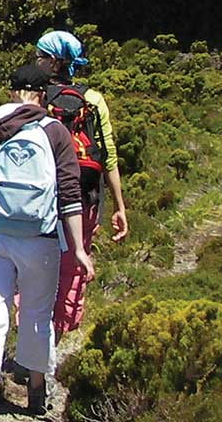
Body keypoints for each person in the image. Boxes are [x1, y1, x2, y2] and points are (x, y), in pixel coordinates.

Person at [0, 63, 93, 421]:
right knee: (36, 312)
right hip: (41, 237)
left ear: (11, 92)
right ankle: (36, 391)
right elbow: (69, 192)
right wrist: (79, 248)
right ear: (42, 94)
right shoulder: (55, 132)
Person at [34, 30, 129, 334]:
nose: (35, 61)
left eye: (39, 56)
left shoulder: (35, 99)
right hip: (85, 200)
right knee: (73, 270)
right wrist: (119, 206)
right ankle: (58, 334)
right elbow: (108, 156)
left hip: (42, 200)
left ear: (52, 62)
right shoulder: (93, 100)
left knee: (34, 271)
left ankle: (31, 343)